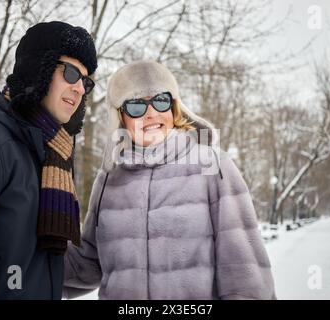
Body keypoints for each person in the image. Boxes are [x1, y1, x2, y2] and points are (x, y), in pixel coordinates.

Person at [63, 60, 276, 300]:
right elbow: (88, 265)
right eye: (136, 106)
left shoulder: (211, 166)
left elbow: (245, 273)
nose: (152, 113)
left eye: (161, 101)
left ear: (174, 108)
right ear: (121, 117)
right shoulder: (110, 179)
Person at [0, 21, 97, 299]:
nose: (80, 88)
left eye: (86, 81)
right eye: (71, 73)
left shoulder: (50, 158)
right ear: (38, 68)